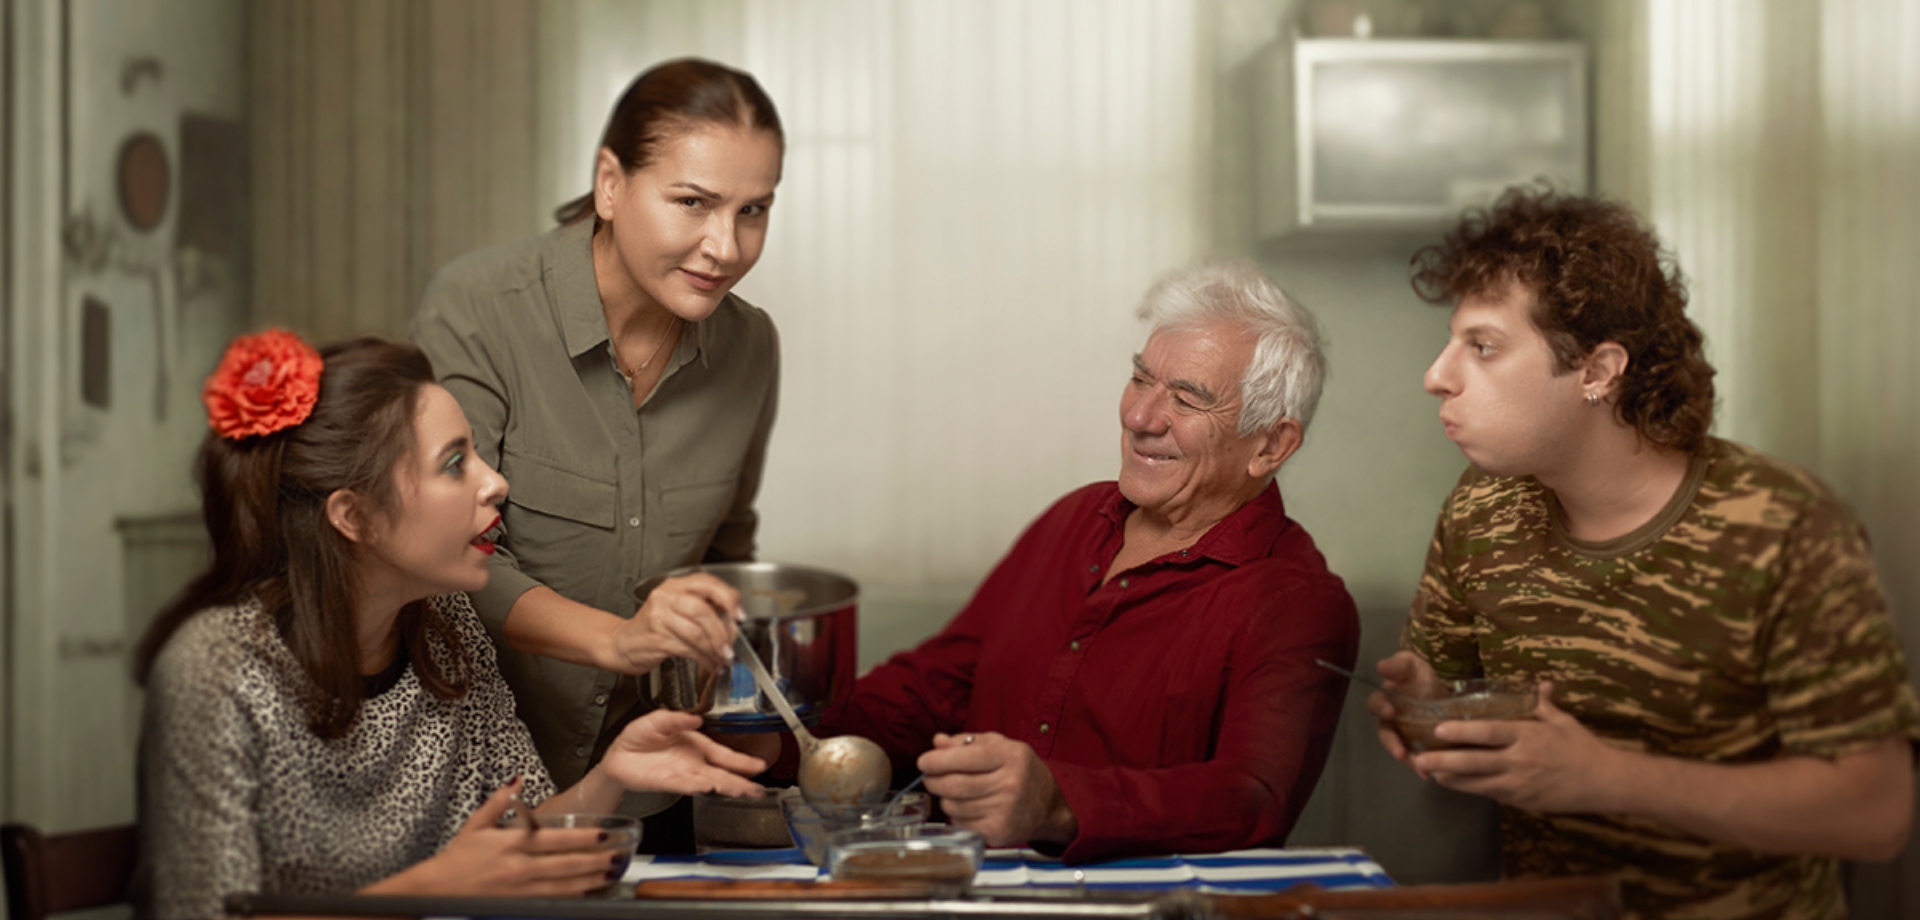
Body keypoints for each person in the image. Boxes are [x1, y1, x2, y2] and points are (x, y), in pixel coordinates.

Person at [1370, 186, 1919, 919]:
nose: (1437, 375)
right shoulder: (1481, 511)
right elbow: (1458, 712)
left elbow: (1876, 812)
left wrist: (1607, 777)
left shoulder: (1782, 526)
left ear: (1598, 371)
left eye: (1483, 346)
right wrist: (1431, 711)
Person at [133, 332, 766, 920]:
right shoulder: (214, 670)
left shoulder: (444, 626)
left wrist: (614, 775)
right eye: (454, 463)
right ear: (356, 517)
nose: (497, 483)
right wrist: (437, 886)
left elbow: (515, 839)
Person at [758, 261, 1359, 863]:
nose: (1141, 417)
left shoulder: (1299, 601)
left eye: (1186, 398)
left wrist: (1057, 803)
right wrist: (774, 745)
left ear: (1271, 445)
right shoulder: (1075, 518)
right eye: (1141, 378)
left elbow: (1250, 802)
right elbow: (935, 689)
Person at [409, 58, 785, 842]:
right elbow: (444, 560)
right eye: (693, 203)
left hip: (655, 786)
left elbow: (724, 551)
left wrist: (739, 688)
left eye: (754, 210)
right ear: (610, 184)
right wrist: (621, 640)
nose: (726, 246)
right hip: (477, 789)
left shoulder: (751, 346)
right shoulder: (481, 311)